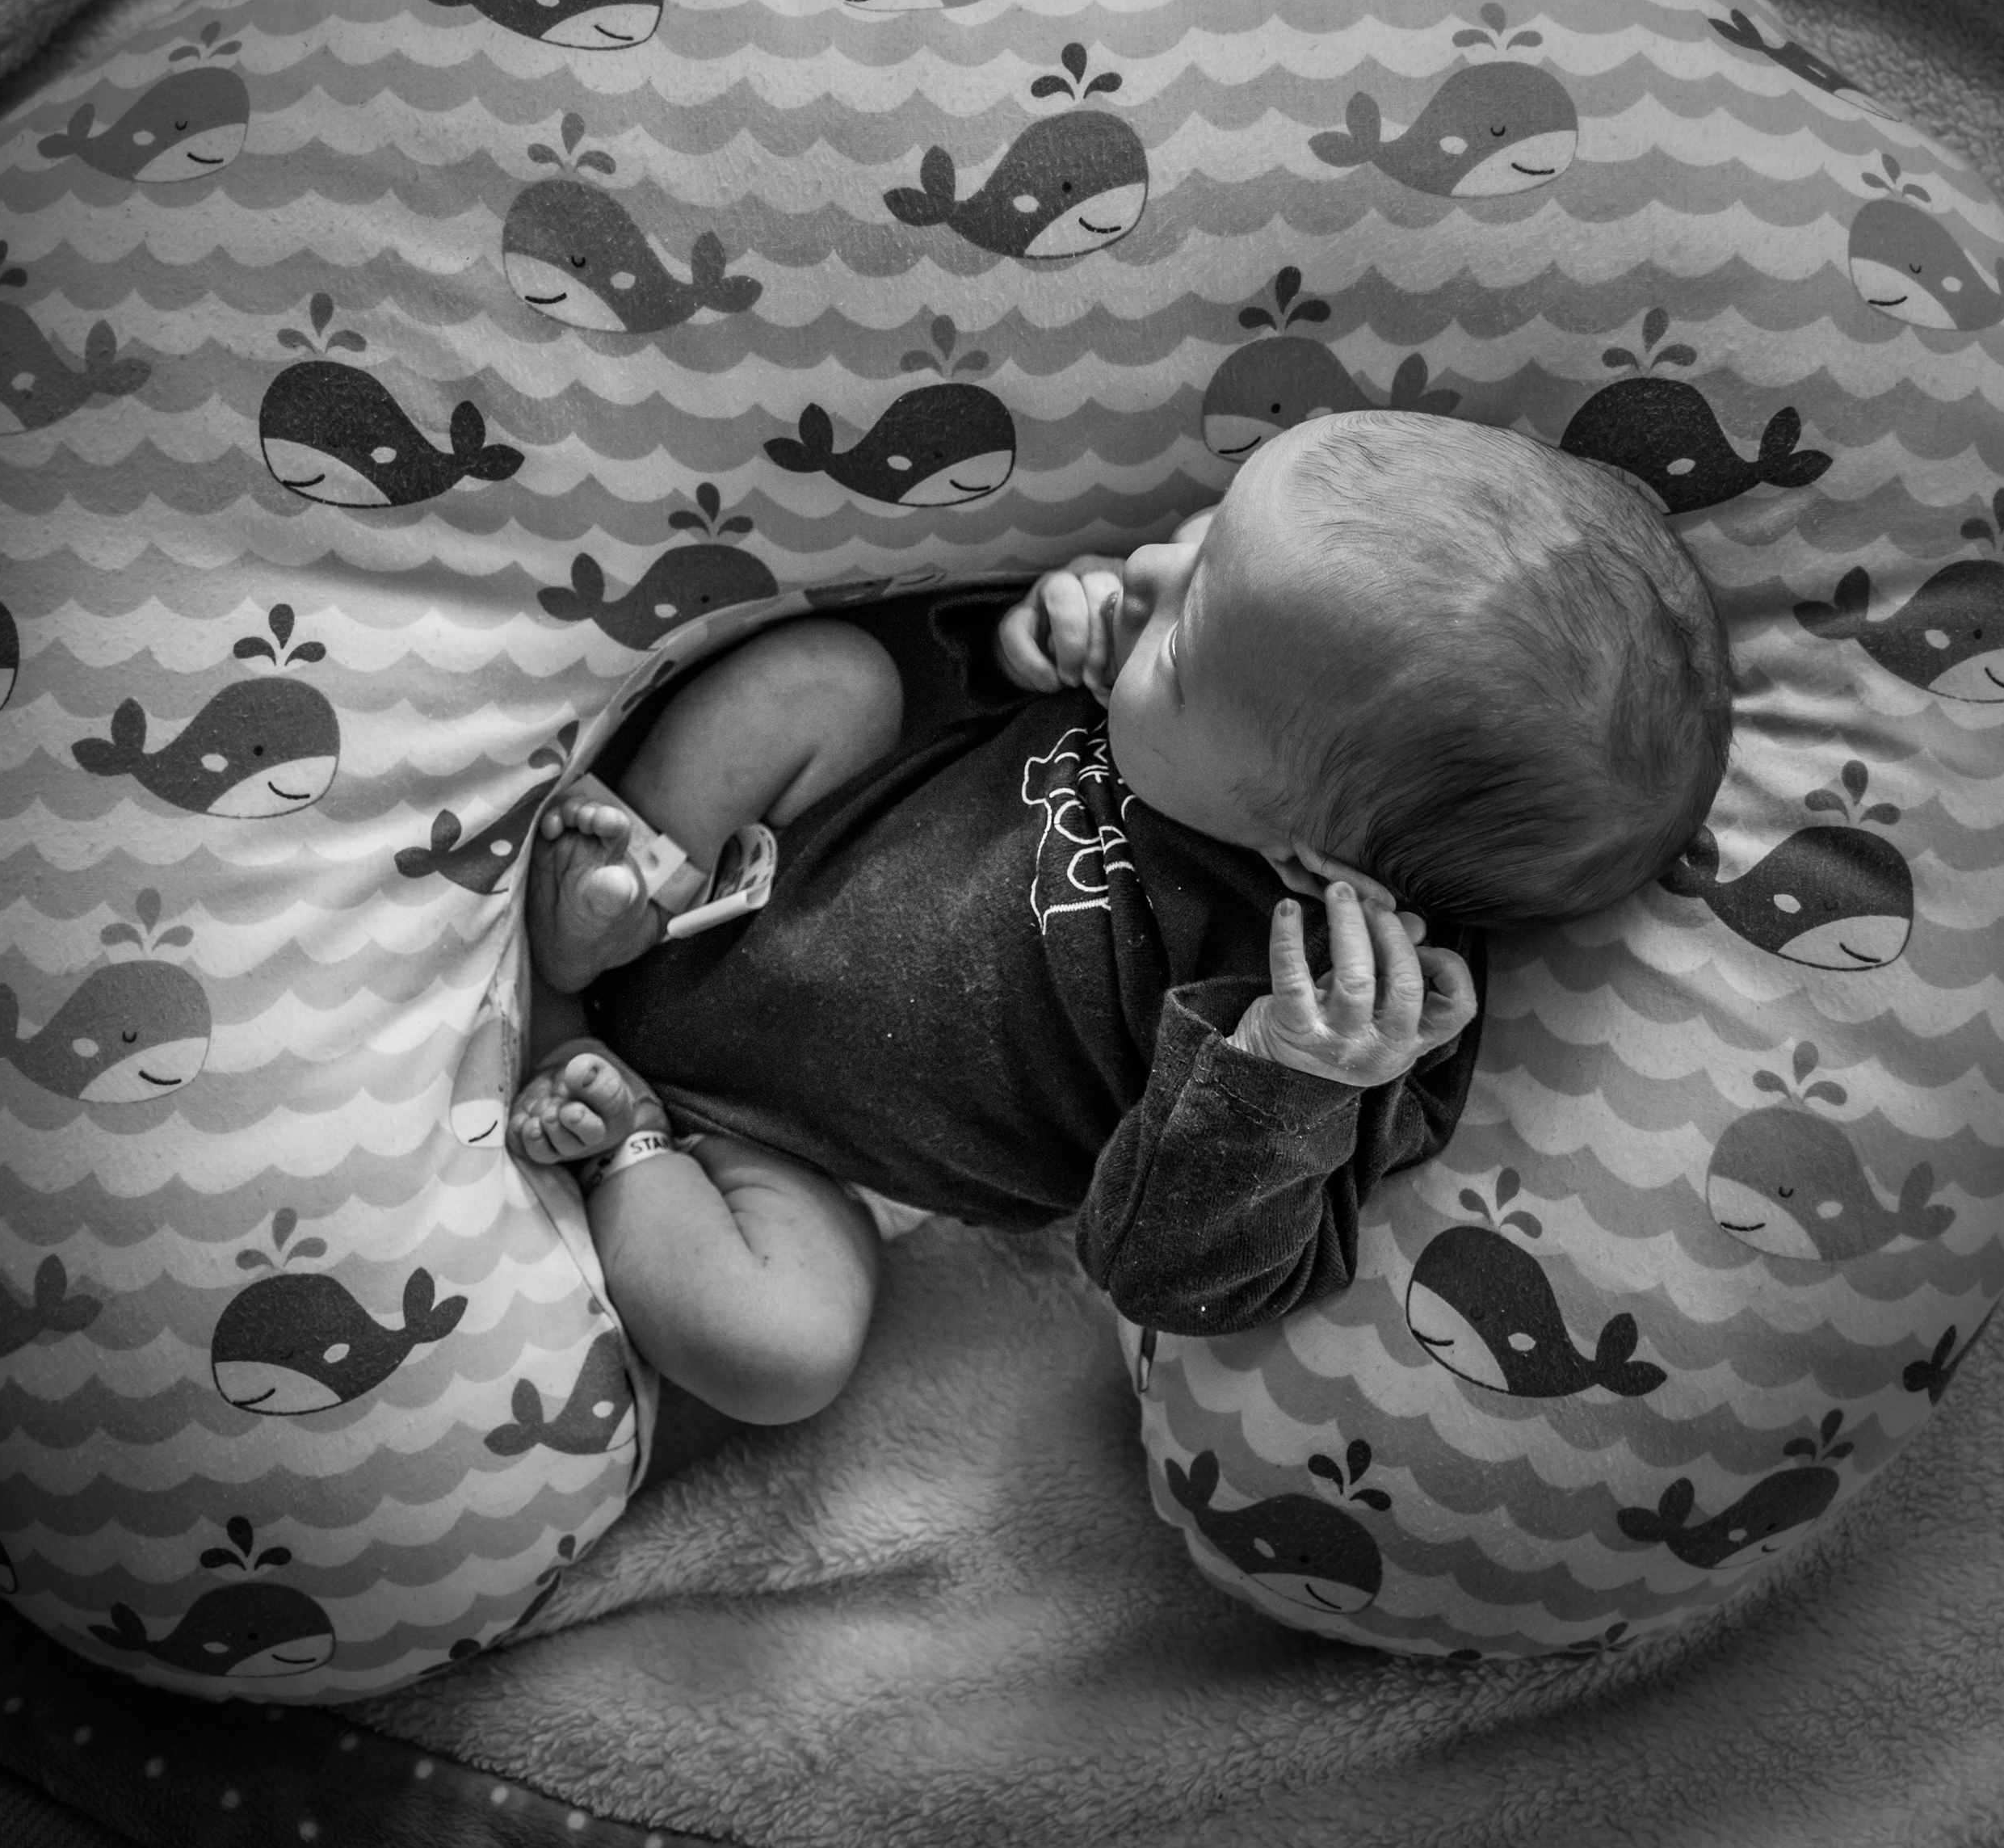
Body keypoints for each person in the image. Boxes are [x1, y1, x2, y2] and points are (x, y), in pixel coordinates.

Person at [506, 411, 1734, 1427]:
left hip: (791, 1145)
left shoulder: (1332, 1018)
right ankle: (627, 887)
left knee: (787, 1352)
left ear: (1305, 855)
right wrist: (1022, 643)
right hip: (776, 852)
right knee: (828, 677)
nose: (1147, 571)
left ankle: (625, 1137)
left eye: (1180, 634)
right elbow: (952, 687)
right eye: (1201, 537)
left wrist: (1282, 1083)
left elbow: (1169, 1276)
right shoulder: (1189, 706)